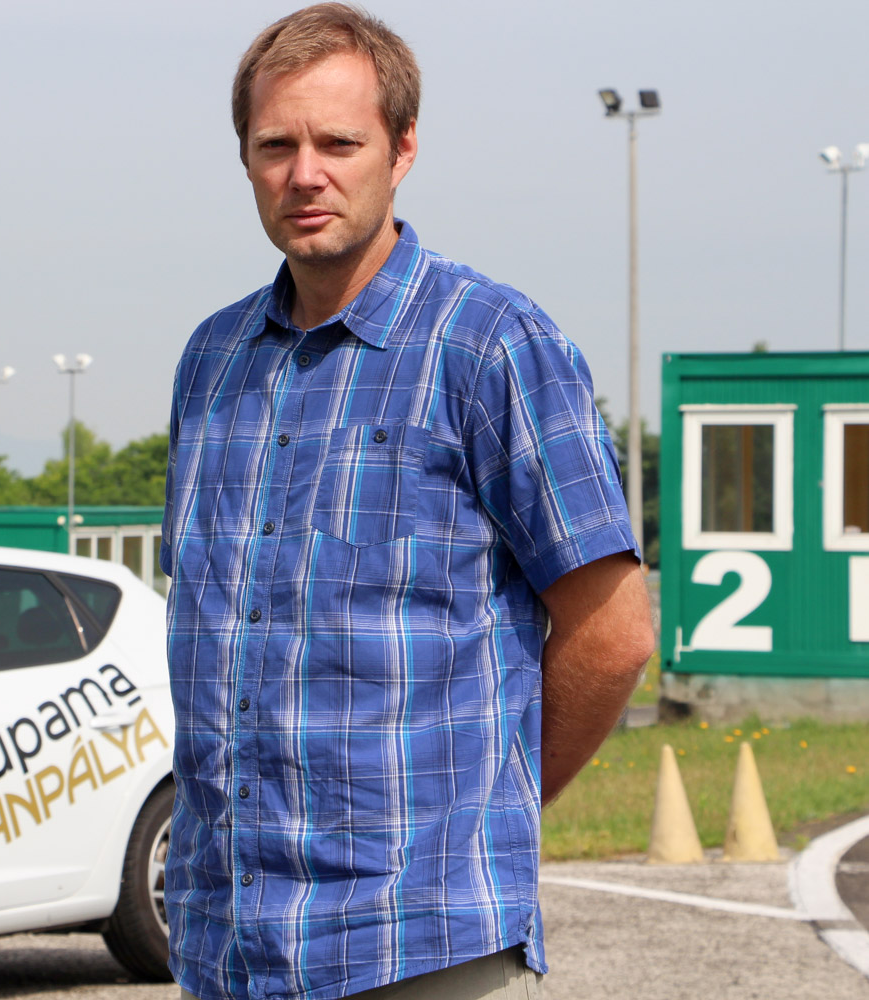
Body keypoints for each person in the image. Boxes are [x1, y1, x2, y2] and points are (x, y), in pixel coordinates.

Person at [157, 5, 656, 999]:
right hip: (228, 946)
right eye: (276, 145)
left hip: (418, 944)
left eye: (339, 143)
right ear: (245, 157)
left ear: (404, 148)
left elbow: (613, 633)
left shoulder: (492, 346)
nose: (306, 174)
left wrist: (484, 821)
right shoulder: (211, 363)